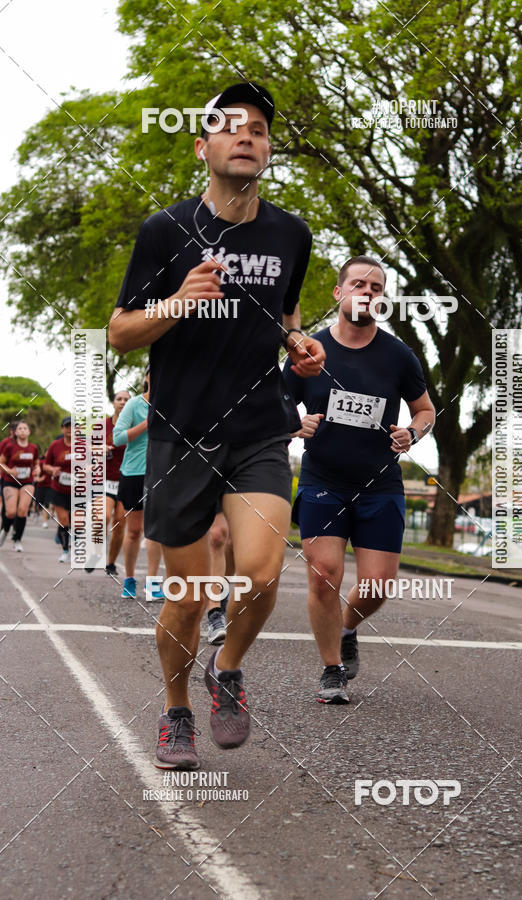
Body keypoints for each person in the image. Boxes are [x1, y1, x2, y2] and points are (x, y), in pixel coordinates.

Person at [109, 80, 325, 769]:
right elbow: (120, 332)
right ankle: (176, 710)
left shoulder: (292, 233)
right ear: (203, 147)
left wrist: (298, 344)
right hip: (181, 433)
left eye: (259, 129)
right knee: (190, 593)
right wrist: (178, 300)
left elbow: (285, 314)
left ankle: (226, 670)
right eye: (233, 128)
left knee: (260, 577)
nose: (247, 137)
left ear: (266, 150)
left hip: (261, 426)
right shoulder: (165, 231)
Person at [283, 257, 436, 703]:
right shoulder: (307, 351)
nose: (367, 292)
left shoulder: (397, 355)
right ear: (339, 293)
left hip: (379, 483)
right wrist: (294, 426)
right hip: (322, 478)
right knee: (324, 574)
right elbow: (271, 405)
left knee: (376, 586)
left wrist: (414, 432)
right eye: (358, 284)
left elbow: (425, 410)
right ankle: (332, 669)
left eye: (376, 287)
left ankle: (348, 628)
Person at [112, 369, 163, 600]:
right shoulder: (134, 404)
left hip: (163, 473)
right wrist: (147, 423)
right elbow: (118, 438)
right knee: (134, 531)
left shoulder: (173, 404)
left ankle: (153, 585)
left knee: (155, 531)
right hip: (134, 473)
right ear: (146, 378)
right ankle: (129, 580)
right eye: (154, 370)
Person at [0, 421, 40, 551]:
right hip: (10, 482)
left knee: (22, 511)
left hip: (27, 482)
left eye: (25, 428)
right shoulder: (10, 447)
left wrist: (38, 469)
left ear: (29, 432)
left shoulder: (33, 447)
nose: (23, 430)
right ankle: (5, 531)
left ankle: (17, 540)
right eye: (20, 428)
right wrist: (10, 471)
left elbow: (36, 463)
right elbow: (1, 463)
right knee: (10, 512)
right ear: (16, 432)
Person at [103, 389, 130, 576]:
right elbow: (87, 448)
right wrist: (98, 447)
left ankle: (110, 563)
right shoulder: (103, 426)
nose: (122, 402)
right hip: (105, 480)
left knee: (120, 523)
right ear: (113, 403)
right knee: (103, 517)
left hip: (126, 480)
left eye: (126, 399)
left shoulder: (135, 426)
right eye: (119, 399)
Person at [44, 417, 73, 563]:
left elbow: (92, 463)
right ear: (62, 428)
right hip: (59, 489)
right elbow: (46, 465)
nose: (70, 429)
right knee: (63, 520)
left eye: (73, 426)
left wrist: (85, 471)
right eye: (67, 426)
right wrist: (52, 469)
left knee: (78, 522)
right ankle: (65, 551)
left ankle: (75, 545)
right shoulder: (55, 445)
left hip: (78, 490)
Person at [205, 506, 235, 645]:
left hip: (243, 486)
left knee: (232, 542)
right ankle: (214, 612)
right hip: (215, 484)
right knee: (217, 535)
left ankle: (221, 591)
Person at [0, 422, 18, 541]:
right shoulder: (5, 443)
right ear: (12, 431)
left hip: (23, 481)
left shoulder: (28, 445)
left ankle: (16, 531)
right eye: (16, 430)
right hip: (6, 478)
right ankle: (4, 527)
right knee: (7, 505)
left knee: (20, 508)